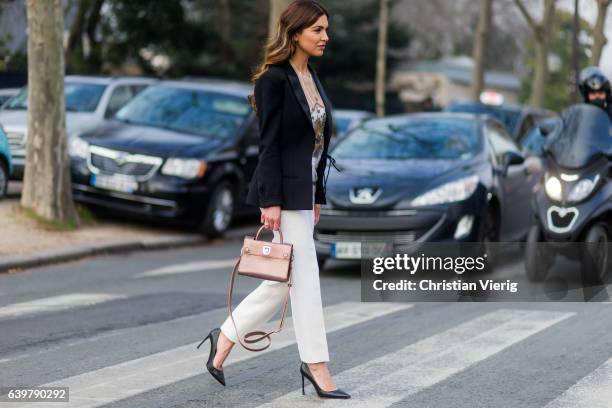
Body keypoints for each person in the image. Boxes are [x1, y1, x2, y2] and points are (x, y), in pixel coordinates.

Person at [199, 0, 350, 400]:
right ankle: (316, 364)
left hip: (305, 194)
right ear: (295, 32)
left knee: (284, 283)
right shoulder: (273, 80)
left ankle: (224, 338)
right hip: (282, 194)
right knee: (307, 280)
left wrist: (317, 194)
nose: (325, 37)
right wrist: (270, 201)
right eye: (317, 29)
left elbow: (317, 145)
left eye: (326, 29)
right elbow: (269, 146)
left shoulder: (311, 77)